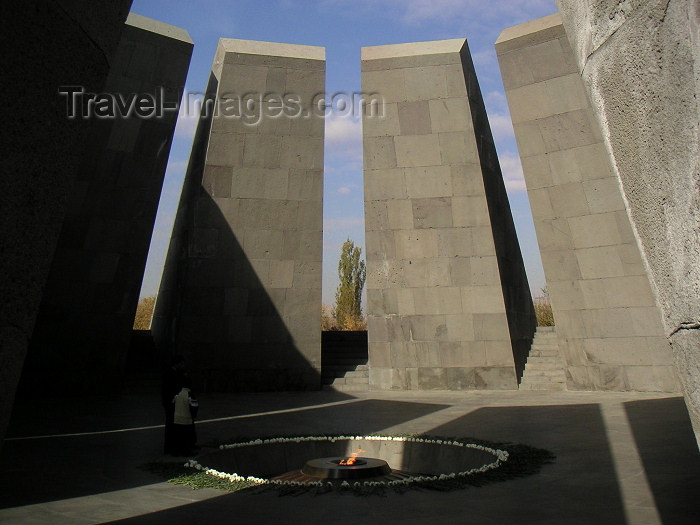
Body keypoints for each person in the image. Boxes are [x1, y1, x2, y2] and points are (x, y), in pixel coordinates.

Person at [161, 355, 187, 455]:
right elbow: (173, 389)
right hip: (172, 402)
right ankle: (173, 448)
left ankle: (171, 448)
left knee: (172, 425)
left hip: (171, 402)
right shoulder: (171, 374)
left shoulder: (172, 373)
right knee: (172, 425)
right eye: (182, 364)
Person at [171, 384, 198, 456]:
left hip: (177, 418)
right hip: (187, 419)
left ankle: (177, 451)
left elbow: (172, 403)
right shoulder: (189, 394)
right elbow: (194, 406)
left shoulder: (178, 393)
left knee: (178, 436)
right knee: (187, 436)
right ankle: (186, 451)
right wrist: (193, 416)